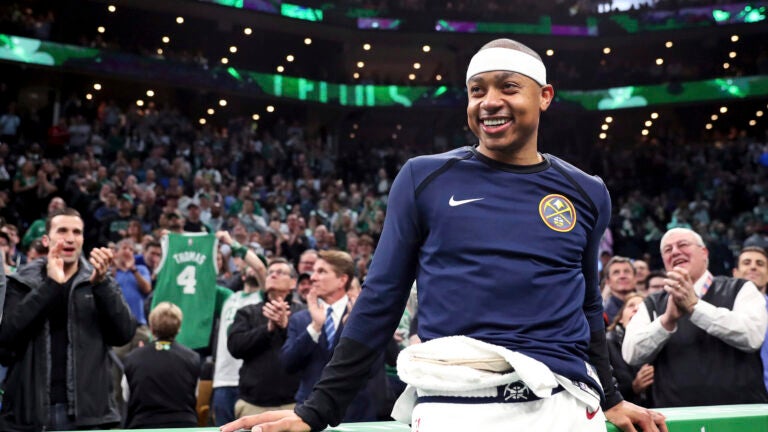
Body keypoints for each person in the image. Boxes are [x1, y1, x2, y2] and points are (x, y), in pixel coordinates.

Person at [223, 38, 665, 432]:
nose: (490, 101)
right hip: (455, 407)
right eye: (478, 90)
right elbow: (381, 298)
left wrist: (611, 397)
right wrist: (315, 412)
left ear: (545, 96)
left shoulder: (586, 192)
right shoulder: (424, 177)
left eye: (508, 87)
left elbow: (587, 302)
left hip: (563, 409)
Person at [0, 207, 135, 431]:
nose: (70, 238)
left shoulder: (99, 281)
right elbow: (6, 341)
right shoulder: (22, 282)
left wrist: (102, 285)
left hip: (88, 417)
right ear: (46, 239)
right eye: (62, 231)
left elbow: (123, 334)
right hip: (30, 416)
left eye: (77, 232)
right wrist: (50, 286)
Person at [623, 228, 768, 407]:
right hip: (674, 418)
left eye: (682, 245)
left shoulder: (741, 288)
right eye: (668, 250)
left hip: (738, 416)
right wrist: (666, 322)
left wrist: (695, 307)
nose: (675, 251)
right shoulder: (652, 303)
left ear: (704, 253)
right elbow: (631, 354)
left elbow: (753, 336)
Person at [228, 258, 304, 418]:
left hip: (294, 404)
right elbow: (235, 347)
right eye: (270, 272)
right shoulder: (247, 312)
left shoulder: (304, 313)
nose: (273, 275)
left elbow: (308, 349)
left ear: (293, 283)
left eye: (280, 272)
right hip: (253, 405)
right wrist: (267, 329)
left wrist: (285, 327)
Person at [211, 230, 268, 426]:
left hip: (251, 380)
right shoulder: (228, 296)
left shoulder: (263, 297)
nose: (253, 268)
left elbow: (260, 269)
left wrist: (231, 243)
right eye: (248, 266)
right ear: (242, 274)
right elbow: (202, 281)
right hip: (222, 379)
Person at [122, 302, 199, 429]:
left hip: (143, 425)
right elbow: (195, 394)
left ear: (151, 327)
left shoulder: (133, 358)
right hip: (184, 426)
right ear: (179, 328)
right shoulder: (193, 358)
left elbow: (126, 395)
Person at [731, 246, 768, 392]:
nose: (753, 267)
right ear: (735, 273)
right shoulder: (720, 311)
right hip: (734, 397)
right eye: (746, 263)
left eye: (760, 264)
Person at [606, 293, 653, 407]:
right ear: (621, 318)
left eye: (642, 307)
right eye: (631, 305)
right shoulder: (606, 345)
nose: (637, 308)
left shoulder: (663, 344)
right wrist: (633, 388)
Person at [603, 256, 637, 323]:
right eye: (616, 272)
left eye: (626, 271)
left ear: (635, 278)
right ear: (608, 282)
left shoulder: (647, 306)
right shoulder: (601, 314)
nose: (622, 276)